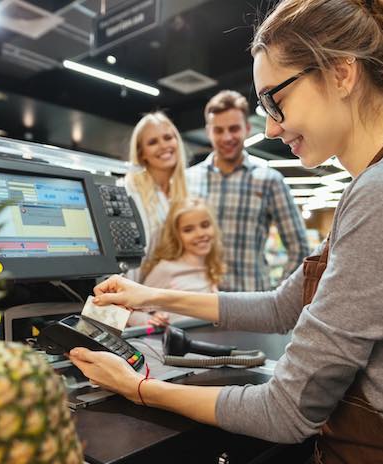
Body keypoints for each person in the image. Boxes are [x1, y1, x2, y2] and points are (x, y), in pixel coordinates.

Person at [70, 0, 383, 464]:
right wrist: (149, 296)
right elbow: (281, 306)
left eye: (275, 98)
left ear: (341, 74)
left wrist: (139, 388)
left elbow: (286, 412)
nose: (268, 126)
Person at [186, 89, 308, 292]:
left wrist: (279, 297)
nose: (227, 137)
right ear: (209, 132)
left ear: (247, 128)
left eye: (234, 128)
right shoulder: (188, 180)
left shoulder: (269, 180)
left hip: (251, 307)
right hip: (197, 303)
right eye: (218, 130)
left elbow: (300, 249)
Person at [127, 197, 225, 327]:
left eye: (205, 225)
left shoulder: (210, 267)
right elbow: (131, 312)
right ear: (176, 235)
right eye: (188, 230)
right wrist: (150, 321)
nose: (200, 233)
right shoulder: (166, 269)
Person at [123, 111, 188, 277]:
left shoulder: (185, 191)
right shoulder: (129, 190)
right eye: (153, 142)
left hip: (169, 290)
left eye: (168, 137)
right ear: (141, 153)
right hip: (134, 291)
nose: (163, 146)